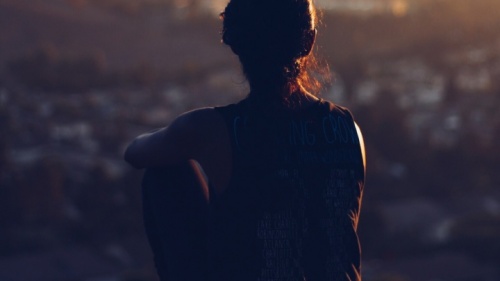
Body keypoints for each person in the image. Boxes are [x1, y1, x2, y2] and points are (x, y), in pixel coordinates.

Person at [125, 0, 366, 280]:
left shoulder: (211, 129)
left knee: (164, 171)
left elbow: (135, 153)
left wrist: (182, 136)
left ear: (236, 43)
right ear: (309, 41)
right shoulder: (347, 129)